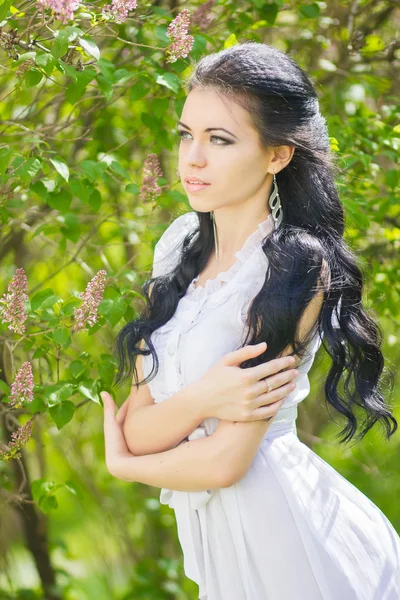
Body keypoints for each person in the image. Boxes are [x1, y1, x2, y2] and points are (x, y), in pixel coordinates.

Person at [102, 42, 400, 599]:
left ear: (277, 156)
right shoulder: (177, 247)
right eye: (186, 134)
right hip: (218, 539)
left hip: (286, 539)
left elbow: (223, 462)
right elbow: (138, 430)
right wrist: (204, 399)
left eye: (220, 140)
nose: (192, 158)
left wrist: (121, 465)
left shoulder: (296, 266)